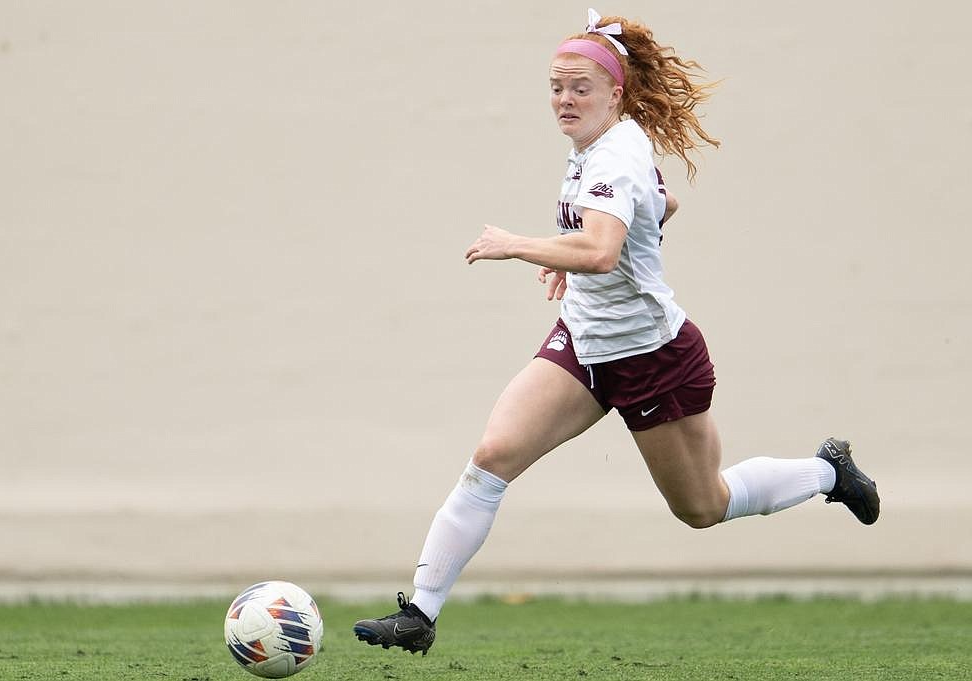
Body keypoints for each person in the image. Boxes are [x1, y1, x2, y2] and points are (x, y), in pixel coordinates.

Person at [353, 8, 879, 656]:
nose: (564, 99)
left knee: (701, 505)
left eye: (579, 87)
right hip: (583, 343)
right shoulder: (597, 150)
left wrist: (523, 246)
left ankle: (827, 472)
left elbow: (601, 249)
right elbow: (657, 209)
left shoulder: (616, 153)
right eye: (555, 86)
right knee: (491, 457)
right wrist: (573, 264)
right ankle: (420, 614)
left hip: (654, 358)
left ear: (615, 92)